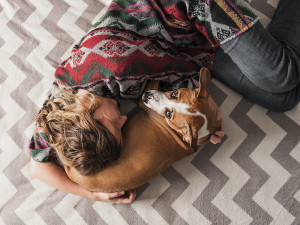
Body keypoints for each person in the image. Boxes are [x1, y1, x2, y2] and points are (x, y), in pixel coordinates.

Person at [29, 0, 299, 204]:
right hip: (177, 44)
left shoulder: (117, 68)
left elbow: (181, 71)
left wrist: (204, 107)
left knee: (281, 77)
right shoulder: (57, 114)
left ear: (89, 110)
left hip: (184, 10)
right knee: (283, 99)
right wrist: (93, 195)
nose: (124, 119)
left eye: (114, 122)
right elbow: (38, 167)